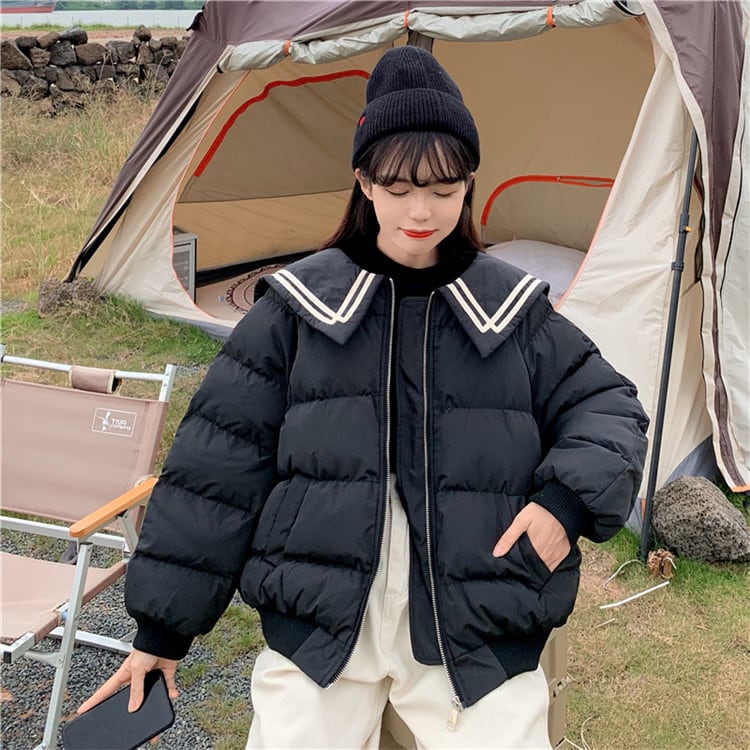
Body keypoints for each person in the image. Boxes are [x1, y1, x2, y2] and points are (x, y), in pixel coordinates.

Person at [79, 46, 649, 749]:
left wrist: (564, 504)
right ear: (364, 182)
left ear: (468, 184)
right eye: (399, 187)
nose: (421, 211)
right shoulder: (294, 312)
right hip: (320, 626)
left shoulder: (514, 312)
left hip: (475, 622)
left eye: (443, 189)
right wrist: (161, 634)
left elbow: (610, 407)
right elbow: (216, 469)